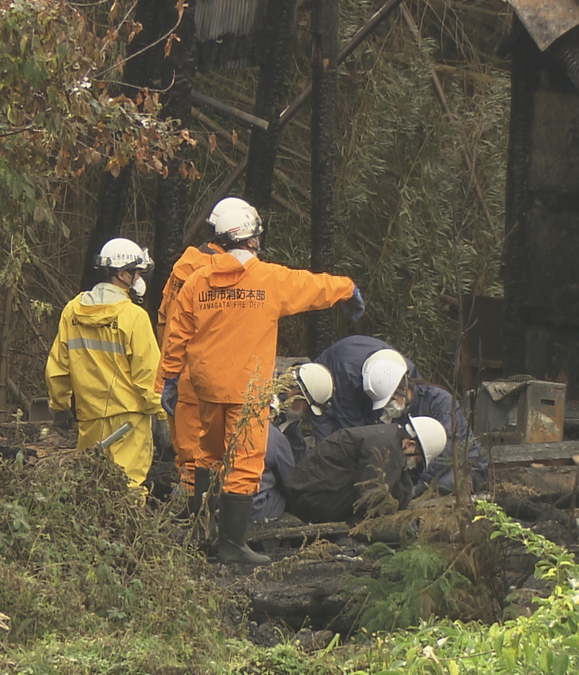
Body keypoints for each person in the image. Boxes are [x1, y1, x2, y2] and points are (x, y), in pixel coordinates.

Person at [160, 197, 363, 564]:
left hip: (206, 387)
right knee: (243, 463)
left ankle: (201, 532)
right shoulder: (270, 280)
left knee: (207, 455)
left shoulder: (196, 281)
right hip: (247, 390)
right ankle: (232, 546)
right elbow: (314, 286)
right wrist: (347, 289)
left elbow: (177, 332)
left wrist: (170, 378)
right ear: (252, 239)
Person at [45, 238, 166, 488]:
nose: (139, 278)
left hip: (90, 419)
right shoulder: (134, 316)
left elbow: (58, 368)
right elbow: (149, 376)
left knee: (91, 487)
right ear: (122, 274)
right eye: (136, 272)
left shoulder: (72, 311)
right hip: (130, 422)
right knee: (129, 488)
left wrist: (60, 407)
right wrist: (162, 414)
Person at [155, 218, 227, 501]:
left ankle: (185, 509)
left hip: (173, 376)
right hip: (203, 379)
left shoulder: (181, 269)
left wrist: (169, 367)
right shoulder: (219, 276)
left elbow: (164, 320)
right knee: (207, 459)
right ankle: (199, 514)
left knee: (185, 457)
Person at [285, 416, 446, 524]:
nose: (415, 464)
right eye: (418, 459)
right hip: (309, 498)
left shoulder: (388, 436)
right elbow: (370, 497)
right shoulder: (387, 447)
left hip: (310, 491)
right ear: (410, 445)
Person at [252, 363, 336, 522]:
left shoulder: (288, 414)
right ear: (297, 395)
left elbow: (298, 450)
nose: (305, 415)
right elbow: (290, 481)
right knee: (283, 495)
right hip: (251, 495)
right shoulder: (272, 430)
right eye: (307, 409)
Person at [376, 374, 487, 493]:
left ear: (404, 390)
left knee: (443, 486)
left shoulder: (440, 401)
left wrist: (425, 480)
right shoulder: (399, 414)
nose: (388, 407)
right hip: (424, 467)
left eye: (391, 400)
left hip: (465, 462)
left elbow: (449, 447)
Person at [310, 336, 418, 440]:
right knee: (330, 440)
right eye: (390, 401)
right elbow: (351, 429)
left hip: (360, 381)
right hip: (327, 382)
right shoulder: (348, 376)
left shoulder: (406, 370)